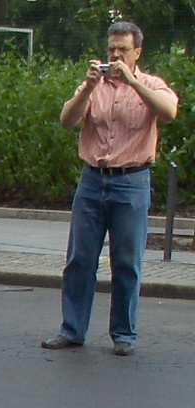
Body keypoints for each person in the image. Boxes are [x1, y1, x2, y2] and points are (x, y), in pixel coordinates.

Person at [42, 22, 179, 356]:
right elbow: (67, 121)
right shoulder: (95, 86)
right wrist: (87, 89)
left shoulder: (150, 84)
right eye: (111, 50)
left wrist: (132, 82)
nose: (115, 57)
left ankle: (124, 334)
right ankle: (72, 329)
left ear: (137, 53)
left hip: (132, 182)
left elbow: (169, 113)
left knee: (127, 262)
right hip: (93, 181)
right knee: (80, 260)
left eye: (122, 51)